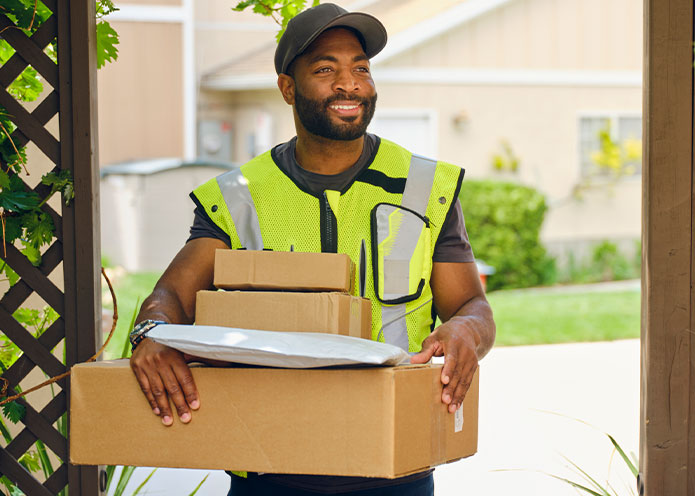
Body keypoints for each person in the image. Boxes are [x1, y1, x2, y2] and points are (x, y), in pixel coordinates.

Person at [128, 3, 495, 495]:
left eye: (360, 68)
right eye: (326, 70)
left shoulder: (425, 186)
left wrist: (465, 332)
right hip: (267, 467)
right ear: (288, 88)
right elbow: (167, 300)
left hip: (394, 468)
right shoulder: (239, 195)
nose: (350, 84)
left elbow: (473, 308)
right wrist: (151, 335)